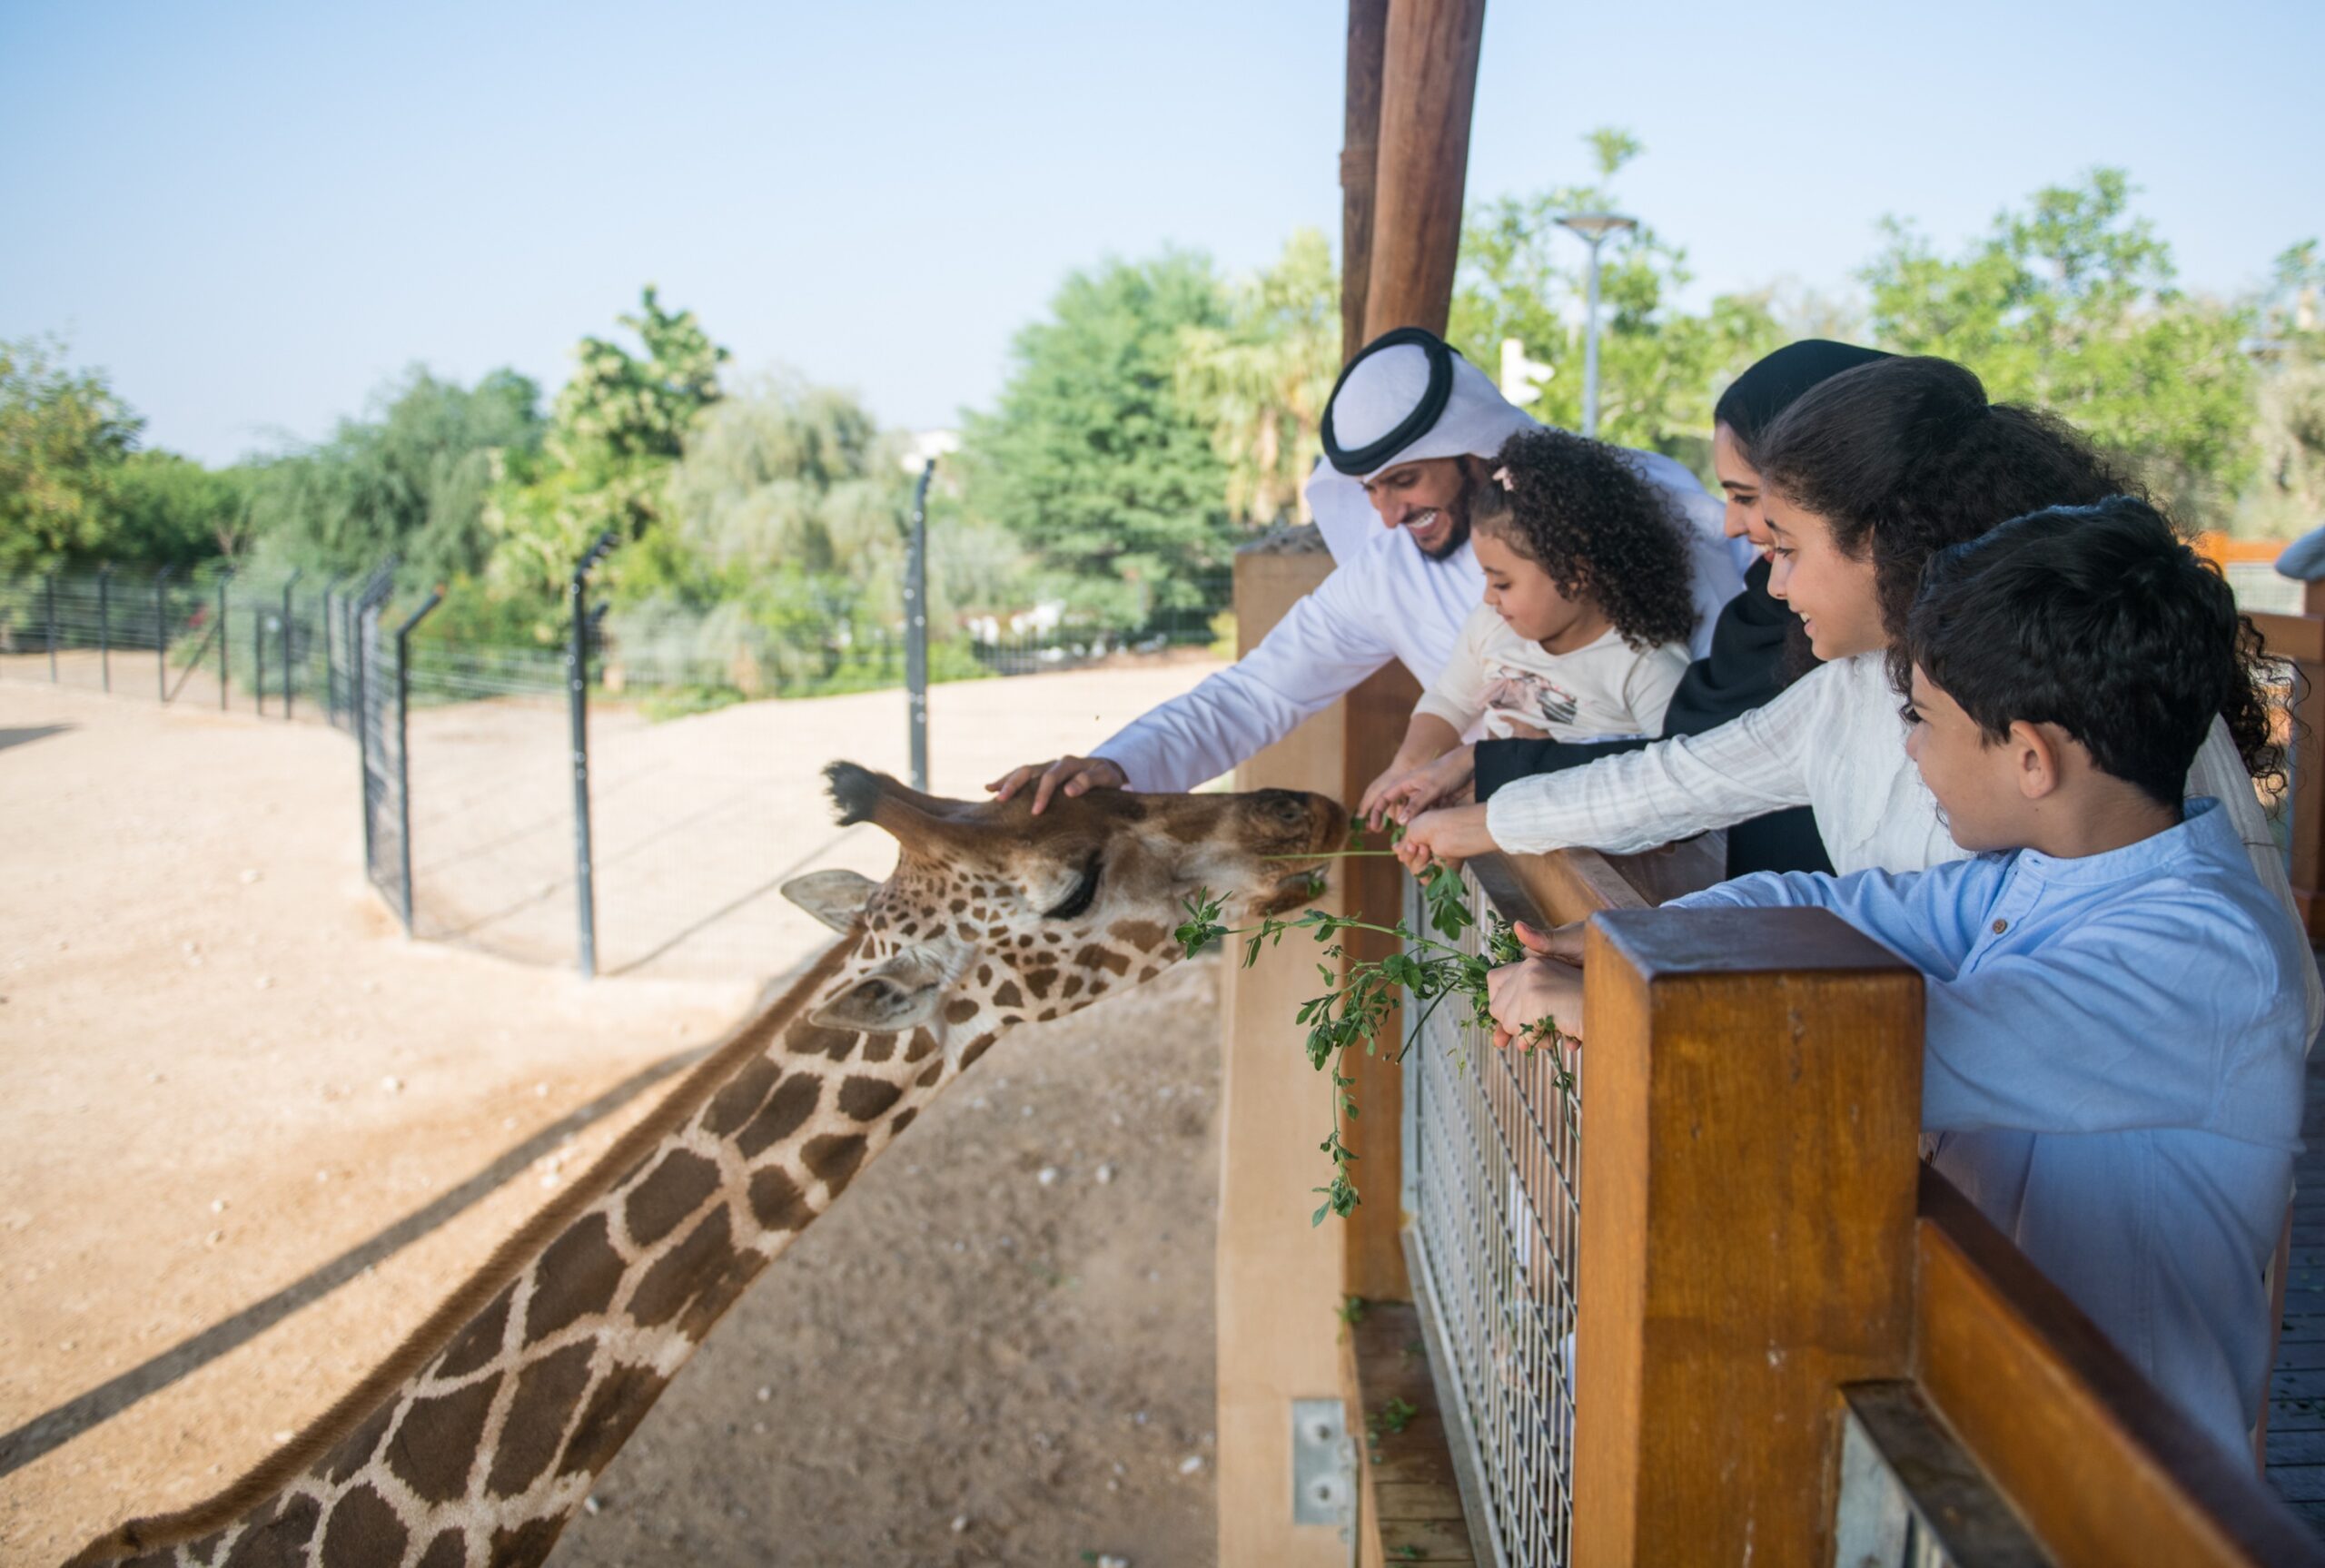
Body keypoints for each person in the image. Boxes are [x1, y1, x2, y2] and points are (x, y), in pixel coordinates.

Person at [1485, 497, 2308, 1462]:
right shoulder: (2036, 878)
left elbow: (1881, 1052)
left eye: (1920, 720)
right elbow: (1820, 903)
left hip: (2121, 1484)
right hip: (1999, 1424)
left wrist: (1618, 1006)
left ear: (2031, 758)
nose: (1908, 749)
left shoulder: (2202, 955)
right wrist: (1636, 940)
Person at [986, 326, 1746, 813]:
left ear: (1474, 447)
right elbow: (1254, 694)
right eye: (1370, 490)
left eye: (1406, 481)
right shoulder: (1387, 573)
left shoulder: (1635, 517)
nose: (1386, 516)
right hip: (1502, 871)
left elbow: (1708, 728)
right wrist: (1120, 763)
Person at [1383, 339, 1892, 876]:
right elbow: (1694, 769)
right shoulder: (1773, 622)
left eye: (1746, 497)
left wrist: (1494, 804)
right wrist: (1487, 775)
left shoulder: (1916, 662)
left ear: (1850, 499)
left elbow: (1691, 783)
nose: (1730, 527)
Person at [1356, 427, 1698, 825]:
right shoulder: (1491, 627)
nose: (1487, 598)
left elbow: (1675, 782)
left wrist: (1543, 760)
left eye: (1501, 582)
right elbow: (1450, 700)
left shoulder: (1645, 666)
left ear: (1573, 575)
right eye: (1483, 577)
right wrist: (1407, 766)